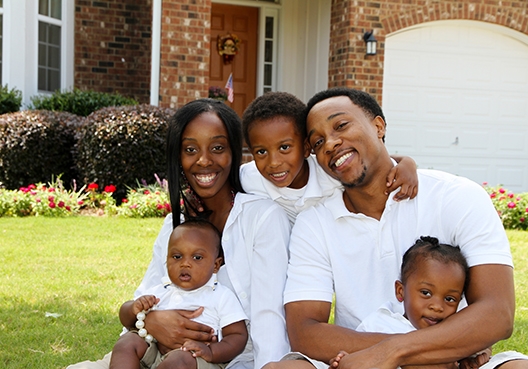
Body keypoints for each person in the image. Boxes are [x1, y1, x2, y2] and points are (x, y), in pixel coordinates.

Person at [270, 87, 528, 369]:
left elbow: (498, 313)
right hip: (358, 362)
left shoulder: (456, 196)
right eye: (318, 142)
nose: (330, 144)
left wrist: (394, 352)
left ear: (378, 126)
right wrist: (425, 352)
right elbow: (304, 332)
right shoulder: (315, 222)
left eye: (341, 125)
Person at [68, 98, 291, 369]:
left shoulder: (263, 218)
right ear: (178, 156)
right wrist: (150, 320)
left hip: (221, 361)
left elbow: (270, 317)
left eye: (218, 148)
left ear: (234, 153)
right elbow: (144, 296)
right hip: (150, 350)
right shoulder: (175, 223)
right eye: (190, 149)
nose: (204, 160)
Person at [240, 92, 418, 225]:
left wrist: (406, 163)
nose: (274, 162)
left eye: (284, 147)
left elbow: (364, 160)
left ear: (306, 148)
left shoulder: (330, 176)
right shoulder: (249, 178)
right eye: (261, 152)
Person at [331, 236, 490, 369]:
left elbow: (482, 347)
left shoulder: (454, 331)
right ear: (401, 291)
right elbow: (361, 358)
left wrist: (472, 360)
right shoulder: (380, 323)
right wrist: (344, 360)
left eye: (449, 299)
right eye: (426, 293)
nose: (437, 306)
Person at [109, 219, 248, 369]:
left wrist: (211, 352)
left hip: (196, 360)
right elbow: (125, 319)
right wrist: (133, 307)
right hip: (157, 353)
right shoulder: (161, 290)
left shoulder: (221, 296)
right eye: (177, 256)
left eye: (197, 257)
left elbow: (237, 336)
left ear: (215, 265)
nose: (185, 263)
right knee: (127, 342)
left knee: (179, 360)